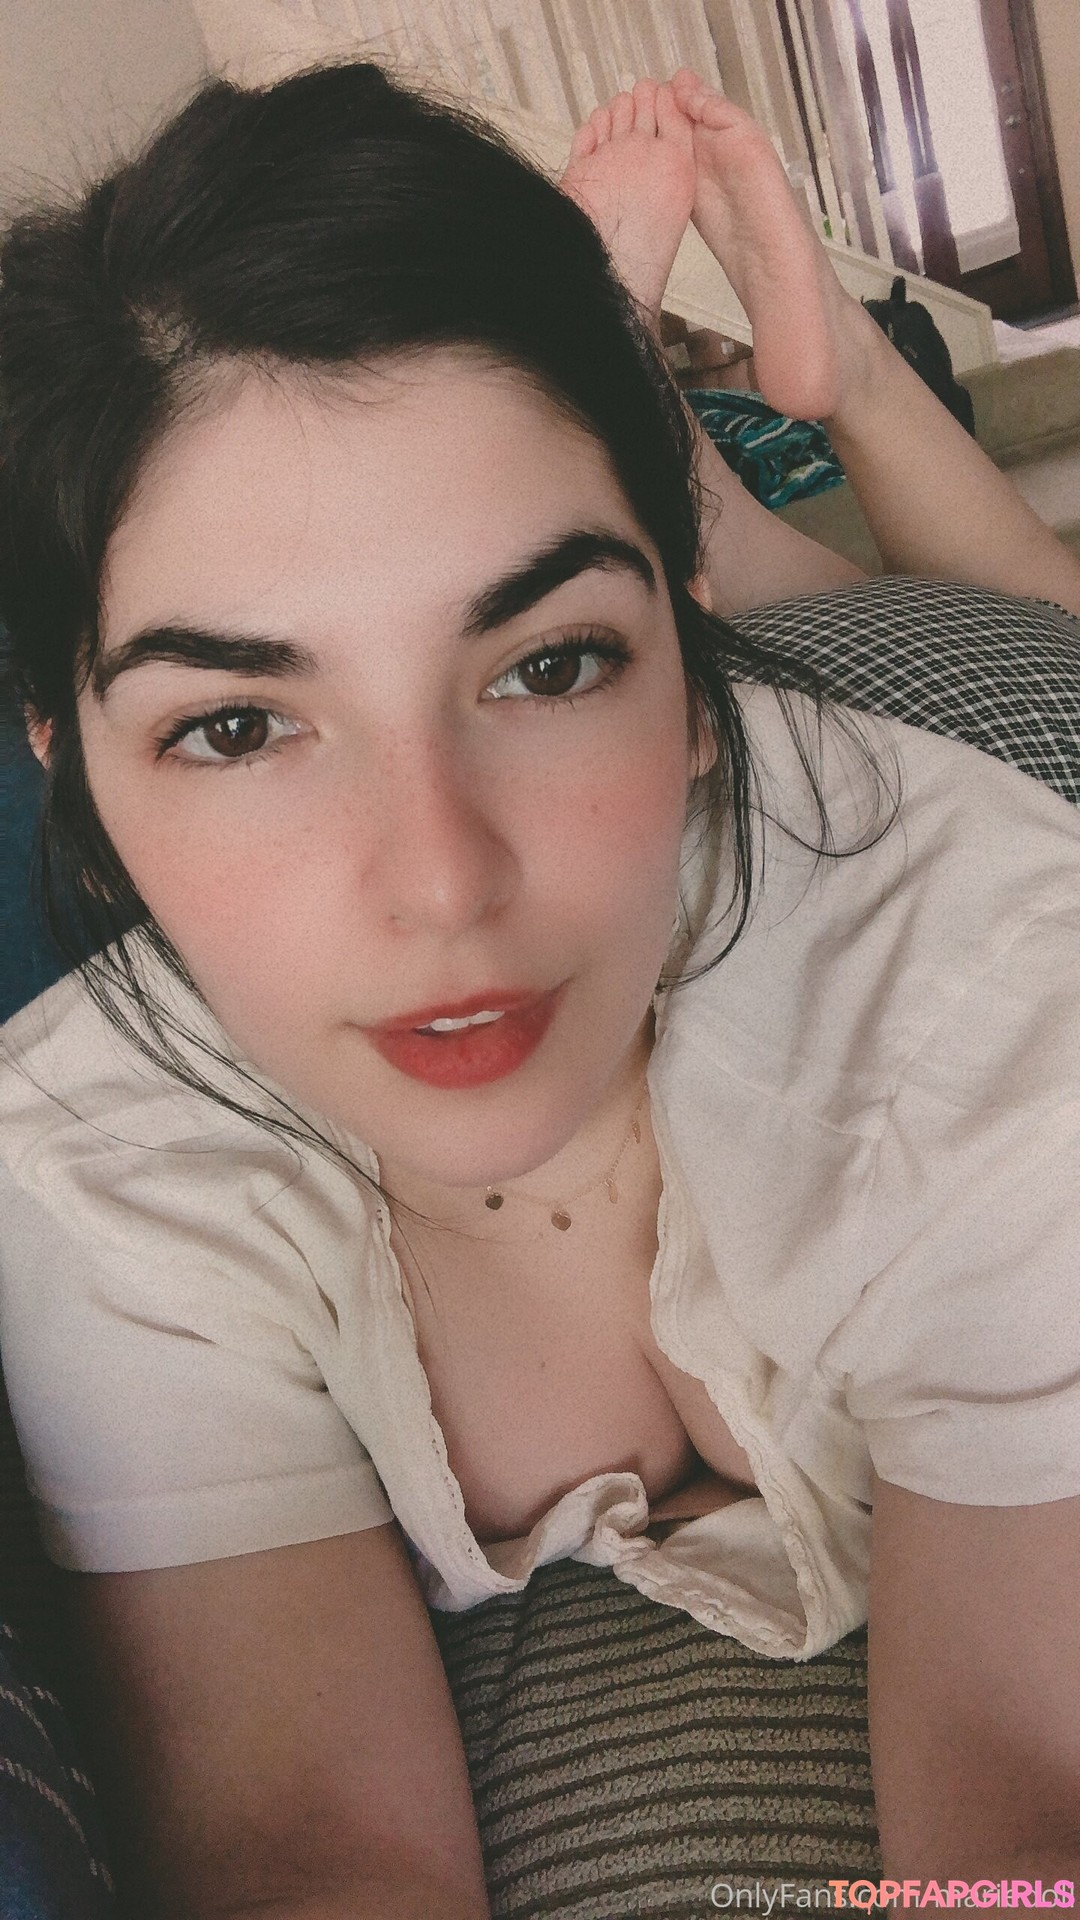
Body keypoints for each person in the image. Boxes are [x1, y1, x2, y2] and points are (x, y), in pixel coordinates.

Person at [0, 60, 1078, 1920]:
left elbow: (1025, 1827)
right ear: (70, 778)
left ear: (683, 671)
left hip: (970, 703)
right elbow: (304, 1849)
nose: (444, 884)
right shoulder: (100, 1165)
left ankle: (783, 394)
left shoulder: (978, 981)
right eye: (237, 725)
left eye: (550, 663)